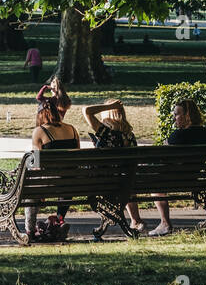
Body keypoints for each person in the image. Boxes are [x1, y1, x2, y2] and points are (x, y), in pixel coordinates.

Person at [150, 99, 206, 236]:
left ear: (187, 115)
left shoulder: (178, 135)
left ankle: (165, 224)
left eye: (177, 114)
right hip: (196, 179)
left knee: (155, 187)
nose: (174, 118)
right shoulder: (205, 133)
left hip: (174, 180)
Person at [82, 99, 146, 234]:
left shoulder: (106, 132)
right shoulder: (129, 135)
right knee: (126, 180)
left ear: (108, 114)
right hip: (126, 183)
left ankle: (112, 218)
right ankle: (135, 219)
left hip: (105, 183)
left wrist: (109, 106)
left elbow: (86, 111)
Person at [25, 101, 80, 241]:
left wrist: (41, 190)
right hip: (72, 184)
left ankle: (30, 231)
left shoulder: (39, 131)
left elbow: (36, 165)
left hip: (49, 183)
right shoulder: (72, 130)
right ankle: (58, 220)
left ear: (40, 115)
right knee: (66, 181)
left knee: (30, 191)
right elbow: (76, 160)